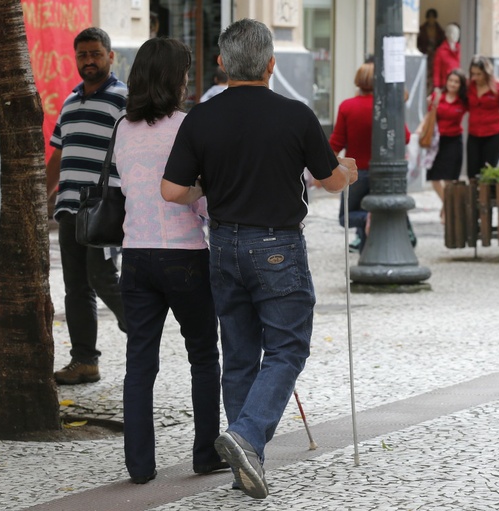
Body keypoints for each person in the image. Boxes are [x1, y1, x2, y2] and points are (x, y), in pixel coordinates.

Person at [161, 18, 358, 500]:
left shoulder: (199, 117)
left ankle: (245, 465)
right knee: (288, 347)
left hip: (223, 244)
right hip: (277, 246)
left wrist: (208, 185)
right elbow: (329, 179)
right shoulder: (295, 114)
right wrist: (347, 174)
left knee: (242, 354)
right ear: (271, 65)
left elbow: (171, 190)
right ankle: (247, 436)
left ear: (223, 64)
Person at [113, 37, 227, 485]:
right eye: (184, 72)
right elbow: (197, 197)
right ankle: (204, 453)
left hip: (135, 254)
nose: (186, 80)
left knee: (140, 362)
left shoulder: (122, 126)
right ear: (172, 78)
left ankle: (139, 466)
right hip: (183, 255)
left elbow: (128, 187)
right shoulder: (188, 125)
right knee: (203, 355)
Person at [46, 27, 128, 385]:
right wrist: (43, 195)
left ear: (111, 56)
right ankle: (84, 361)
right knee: (75, 286)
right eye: (82, 55)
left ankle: (143, 332)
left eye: (96, 53)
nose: (89, 61)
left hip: (104, 209)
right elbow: (58, 154)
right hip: (69, 209)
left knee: (102, 276)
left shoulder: (124, 99)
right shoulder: (69, 102)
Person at [329, 62, 412, 253]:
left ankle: (368, 221)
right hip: (386, 173)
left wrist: (323, 172)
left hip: (356, 173)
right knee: (383, 208)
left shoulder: (347, 106)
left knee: (347, 216)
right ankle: (372, 244)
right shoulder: (388, 107)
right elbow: (405, 137)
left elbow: (335, 144)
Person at [421, 69, 468, 218]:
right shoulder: (437, 96)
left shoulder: (463, 101)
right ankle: (448, 206)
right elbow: (429, 116)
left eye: (456, 82)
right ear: (446, 82)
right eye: (450, 80)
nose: (453, 84)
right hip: (437, 142)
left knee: (449, 180)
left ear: (461, 85)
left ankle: (447, 211)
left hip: (454, 141)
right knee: (434, 178)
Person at [466, 55, 499, 179]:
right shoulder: (469, 86)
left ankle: (486, 198)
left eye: (479, 74)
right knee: (472, 172)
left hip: (494, 134)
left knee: (487, 172)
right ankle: (474, 198)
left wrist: (497, 115)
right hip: (474, 134)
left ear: (487, 73)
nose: (475, 77)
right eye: (473, 74)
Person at [416, 8, 446, 93]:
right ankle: (424, 90)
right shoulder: (422, 30)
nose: (431, 19)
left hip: (436, 55)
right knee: (425, 73)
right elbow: (418, 42)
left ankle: (432, 90)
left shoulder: (439, 30)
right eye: (429, 17)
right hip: (425, 54)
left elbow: (442, 42)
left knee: (435, 73)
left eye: (433, 17)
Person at [432, 23, 461, 91]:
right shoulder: (441, 51)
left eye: (457, 33)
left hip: (460, 84)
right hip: (446, 85)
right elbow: (437, 70)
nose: (455, 36)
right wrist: (436, 86)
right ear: (447, 34)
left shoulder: (461, 49)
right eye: (453, 33)